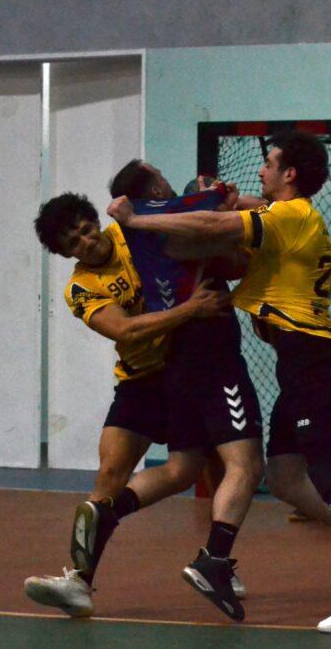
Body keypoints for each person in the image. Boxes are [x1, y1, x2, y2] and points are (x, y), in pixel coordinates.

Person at [107, 130, 331, 634]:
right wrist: (223, 195)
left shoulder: (293, 215)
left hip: (316, 361)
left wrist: (137, 218)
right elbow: (235, 206)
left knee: (328, 466)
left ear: (289, 174)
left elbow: (213, 222)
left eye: (269, 163)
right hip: (296, 363)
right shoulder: (289, 213)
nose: (261, 171)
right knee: (286, 477)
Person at [106, 159, 265, 623]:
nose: (165, 175)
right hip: (208, 353)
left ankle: (105, 513)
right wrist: (229, 218)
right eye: (156, 172)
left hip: (182, 359)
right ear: (152, 186)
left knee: (186, 466)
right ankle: (213, 561)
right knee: (247, 463)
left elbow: (233, 258)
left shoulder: (172, 215)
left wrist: (229, 208)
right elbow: (226, 239)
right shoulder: (158, 225)